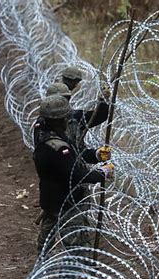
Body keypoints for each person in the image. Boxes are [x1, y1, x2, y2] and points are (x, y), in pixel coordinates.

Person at [33, 95, 114, 255]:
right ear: (62, 119)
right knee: (76, 246)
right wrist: (102, 173)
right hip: (67, 203)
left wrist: (95, 155)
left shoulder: (46, 134)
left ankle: (42, 269)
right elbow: (76, 174)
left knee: (46, 242)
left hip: (50, 199)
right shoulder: (58, 148)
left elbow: (74, 156)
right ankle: (70, 276)